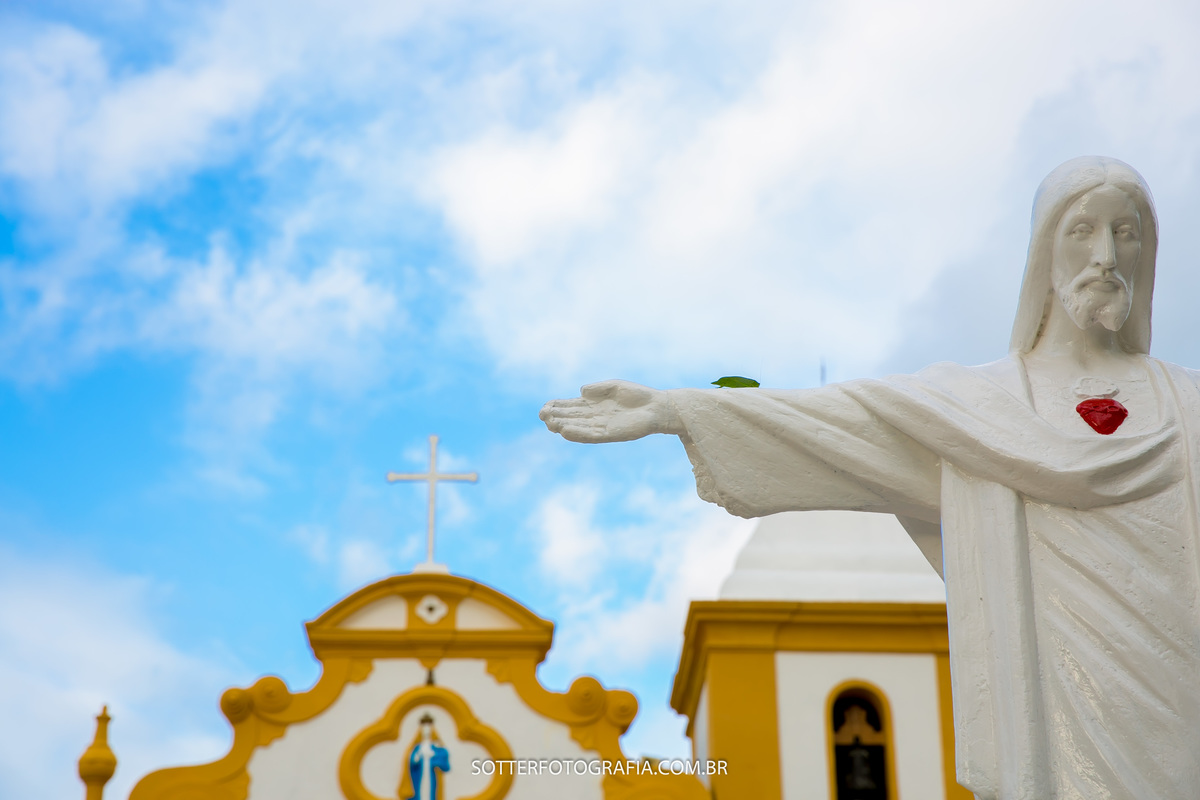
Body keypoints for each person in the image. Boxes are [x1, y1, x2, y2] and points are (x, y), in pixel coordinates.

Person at [540, 156, 1200, 800]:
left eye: (1126, 232)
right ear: (1044, 253)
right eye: (1083, 230)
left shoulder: (1188, 405)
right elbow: (839, 420)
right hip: (1055, 711)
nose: (1106, 256)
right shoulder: (980, 407)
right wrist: (679, 409)